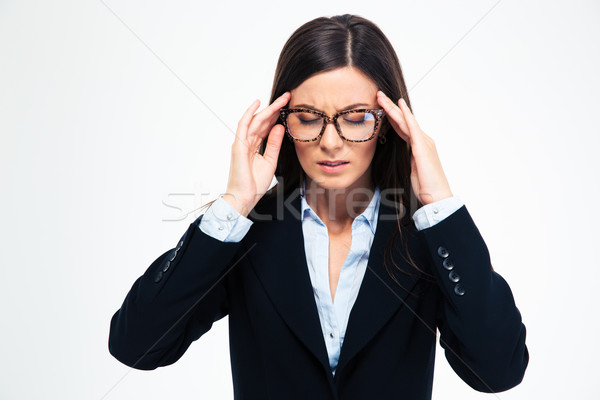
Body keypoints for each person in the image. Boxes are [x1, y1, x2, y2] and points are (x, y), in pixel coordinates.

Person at [108, 14, 529, 399]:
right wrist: (234, 204)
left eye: (356, 116)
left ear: (387, 125)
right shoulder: (248, 233)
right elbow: (136, 346)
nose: (330, 141)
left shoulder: (425, 237)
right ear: (283, 123)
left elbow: (498, 370)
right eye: (309, 117)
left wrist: (440, 204)